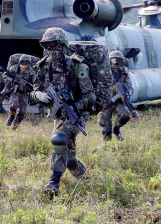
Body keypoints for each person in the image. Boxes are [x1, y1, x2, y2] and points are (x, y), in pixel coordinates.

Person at [31, 27, 96, 197]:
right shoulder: (43, 67)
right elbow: (33, 92)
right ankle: (85, 179)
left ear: (63, 45)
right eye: (47, 45)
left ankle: (53, 183)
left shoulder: (77, 66)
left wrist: (75, 106)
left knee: (59, 139)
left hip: (77, 114)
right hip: (58, 114)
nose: (51, 49)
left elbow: (90, 97)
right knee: (68, 155)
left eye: (54, 44)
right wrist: (39, 95)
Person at [98, 50, 133, 141]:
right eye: (114, 60)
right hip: (106, 102)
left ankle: (116, 129)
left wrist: (127, 94)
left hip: (118, 101)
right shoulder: (104, 72)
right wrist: (110, 89)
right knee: (106, 128)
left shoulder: (124, 72)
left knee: (125, 116)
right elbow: (98, 86)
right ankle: (107, 146)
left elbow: (130, 87)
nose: (116, 62)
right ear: (110, 61)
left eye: (119, 60)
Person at [3, 55, 35, 130]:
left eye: (26, 63)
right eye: (22, 62)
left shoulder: (31, 71)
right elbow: (5, 76)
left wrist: (34, 87)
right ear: (20, 62)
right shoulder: (14, 68)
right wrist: (13, 80)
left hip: (25, 92)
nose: (24, 65)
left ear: (28, 63)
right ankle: (11, 117)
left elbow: (35, 80)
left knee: (22, 112)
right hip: (15, 90)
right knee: (14, 105)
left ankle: (14, 127)